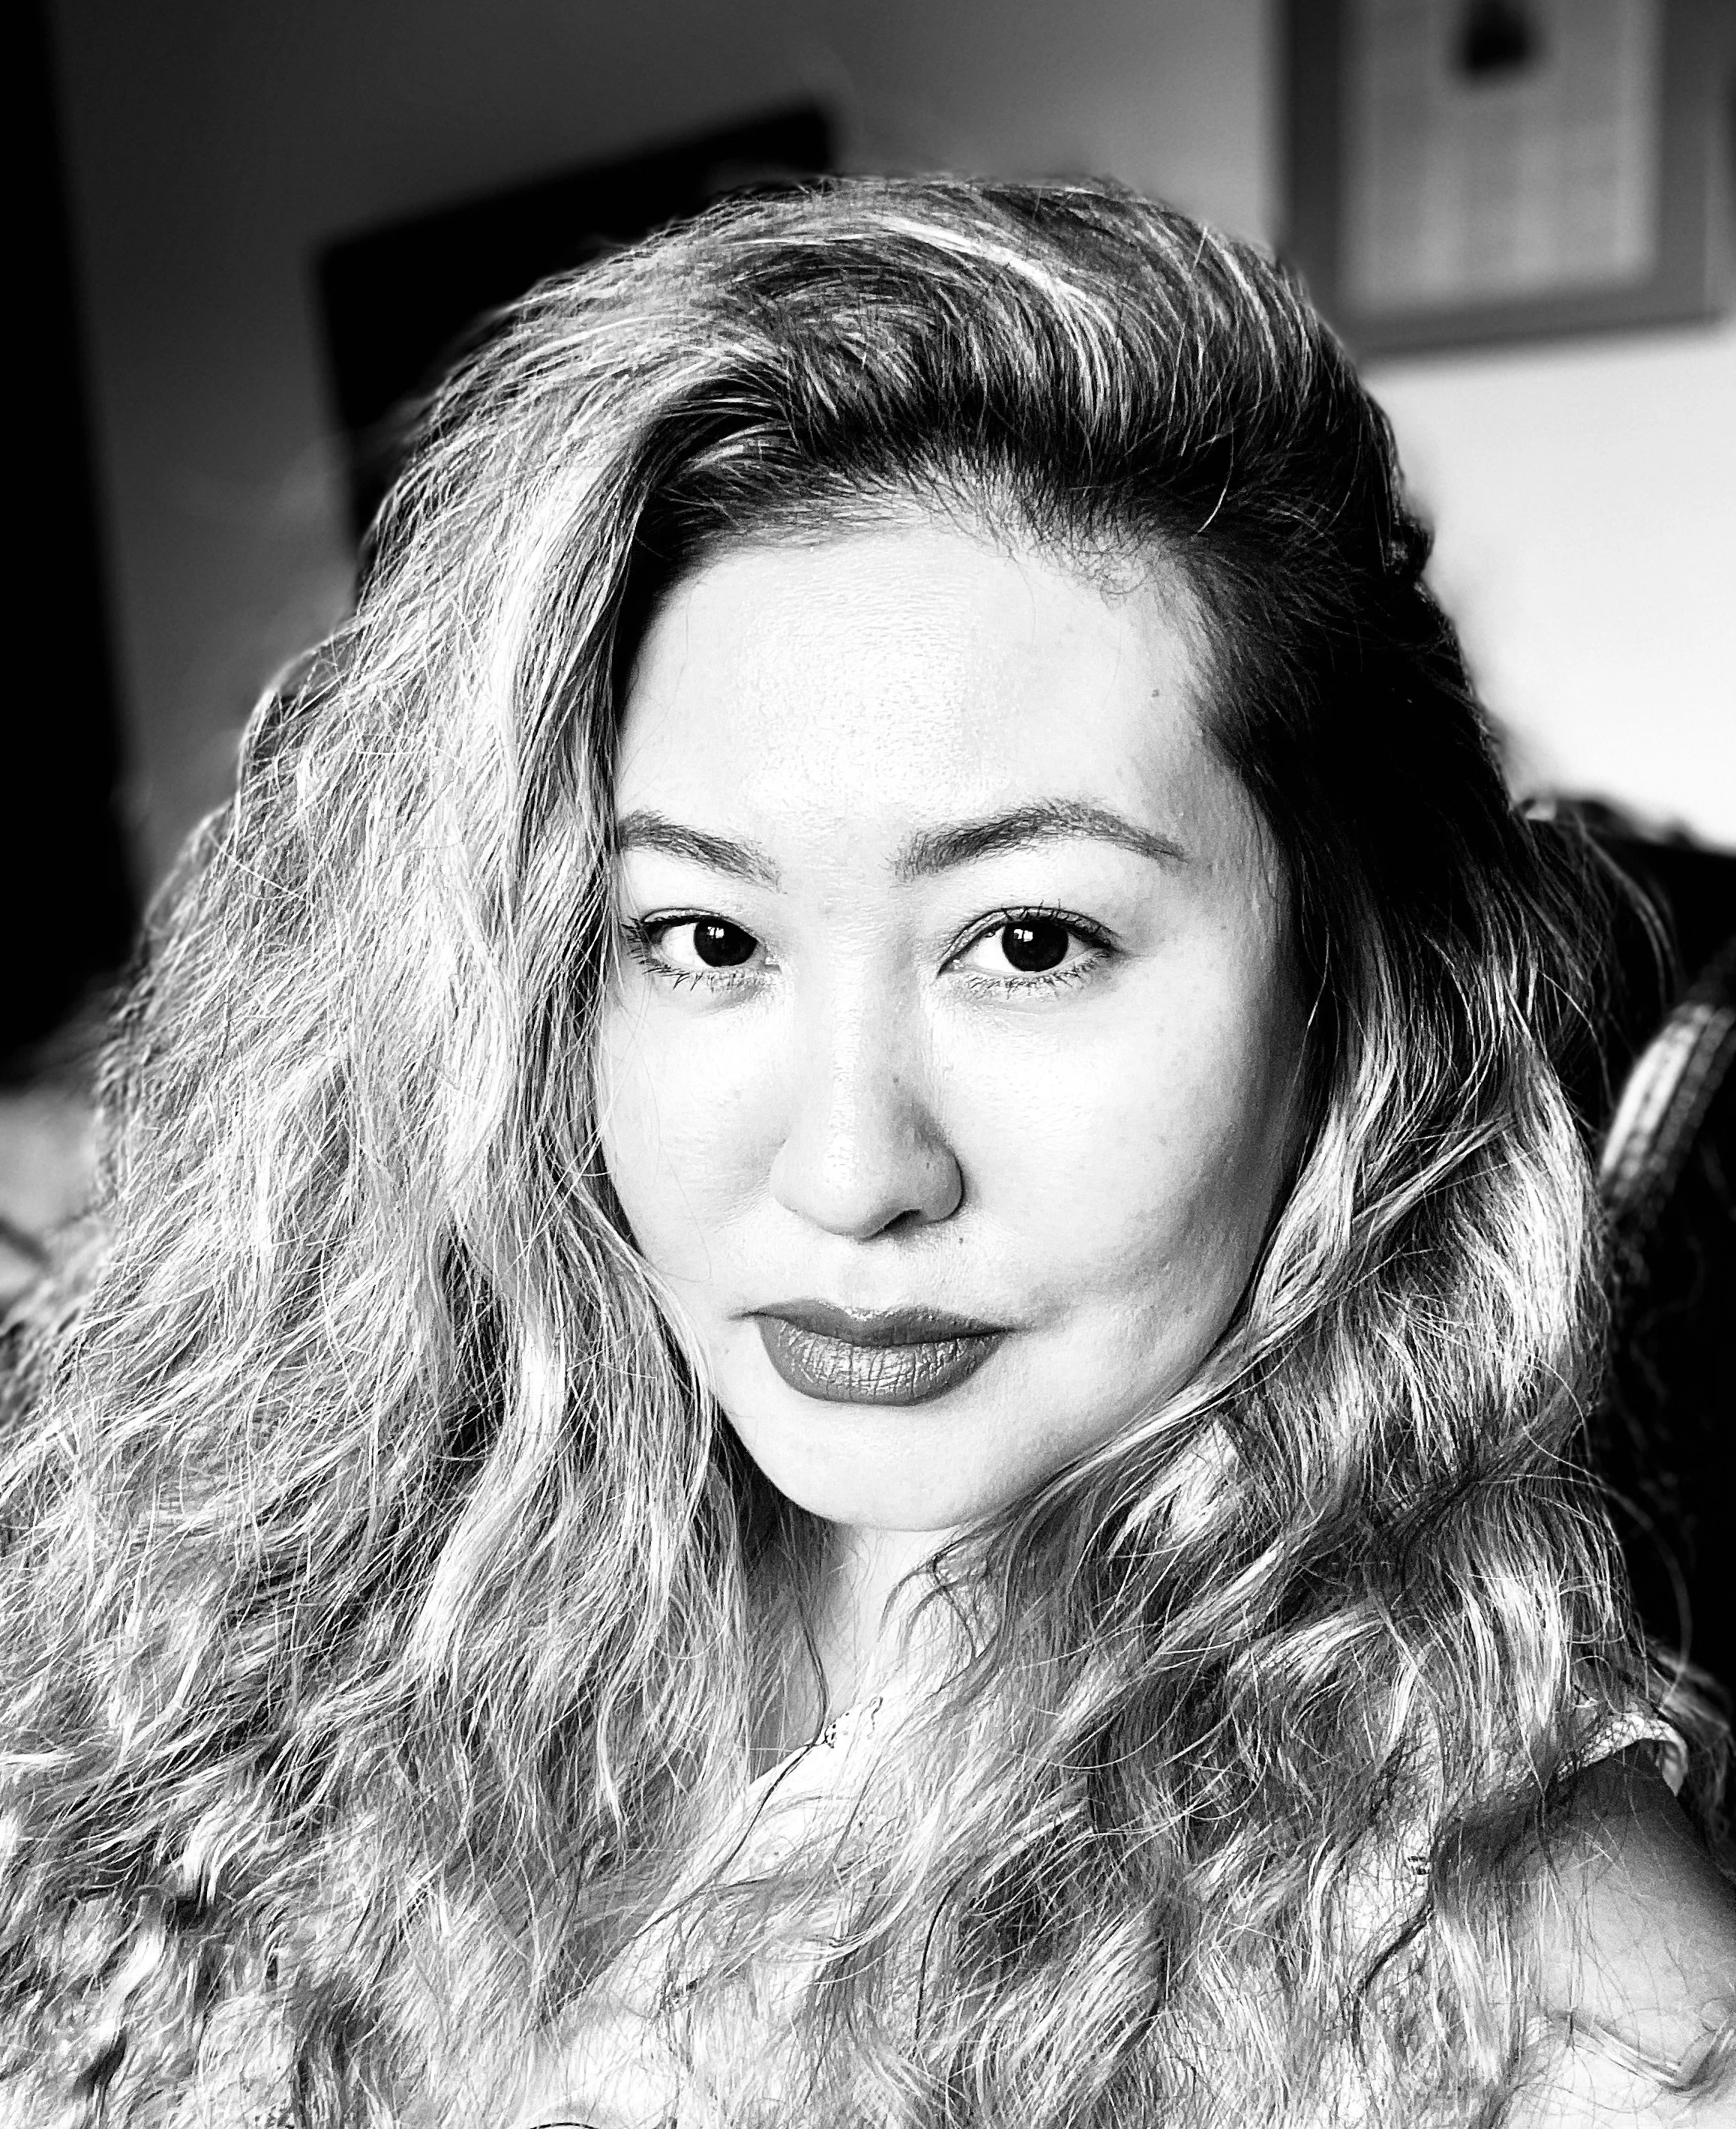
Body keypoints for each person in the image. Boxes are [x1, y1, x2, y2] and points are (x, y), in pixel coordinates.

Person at [1, 181, 1731, 2128]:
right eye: (706, 940)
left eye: (1030, 941)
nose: (847, 1171)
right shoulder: (336, 1616)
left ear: (1351, 994)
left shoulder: (1542, 1993)